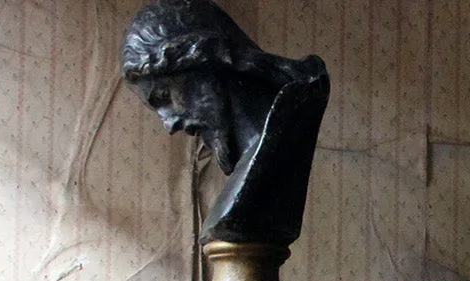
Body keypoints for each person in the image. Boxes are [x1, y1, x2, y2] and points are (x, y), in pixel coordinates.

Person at [122, 0, 329, 248]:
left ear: (204, 58)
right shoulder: (248, 162)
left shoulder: (293, 119)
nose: (169, 125)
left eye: (164, 96)